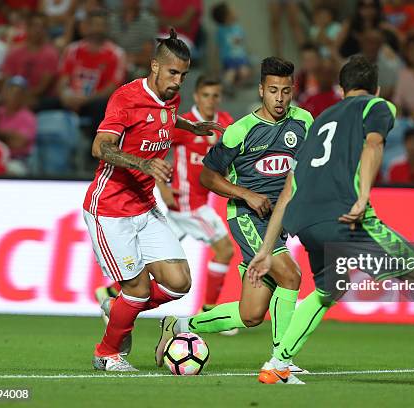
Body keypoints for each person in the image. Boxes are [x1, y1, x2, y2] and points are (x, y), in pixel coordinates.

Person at [245, 55, 414, 386]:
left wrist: (266, 249)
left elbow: (290, 187)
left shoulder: (318, 121)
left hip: (304, 223)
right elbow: (374, 144)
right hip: (343, 216)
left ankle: (278, 364)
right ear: (376, 88)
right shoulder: (375, 106)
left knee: (329, 289)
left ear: (341, 88)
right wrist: (363, 197)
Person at [157, 57, 314, 374]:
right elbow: (208, 177)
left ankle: (180, 322)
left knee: (251, 314)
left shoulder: (305, 122)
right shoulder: (239, 131)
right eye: (273, 91)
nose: (279, 99)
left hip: (279, 222)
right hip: (246, 218)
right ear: (261, 90)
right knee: (291, 275)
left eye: (285, 91)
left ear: (293, 89)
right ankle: (282, 359)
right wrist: (247, 194)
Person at [83, 30, 224, 372]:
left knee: (179, 284)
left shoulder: (170, 98)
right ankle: (107, 353)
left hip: (145, 207)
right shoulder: (125, 98)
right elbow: (100, 147)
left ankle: (117, 310)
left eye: (184, 75)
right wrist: (143, 163)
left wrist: (192, 128)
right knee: (138, 287)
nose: (178, 82)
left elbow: (165, 120)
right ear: (154, 67)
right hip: (111, 208)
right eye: (173, 73)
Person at [156, 75, 235, 320]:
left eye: (215, 96)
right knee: (224, 249)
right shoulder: (186, 123)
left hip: (195, 203)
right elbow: (154, 150)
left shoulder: (224, 122)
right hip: (187, 204)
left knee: (155, 258)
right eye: (205, 95)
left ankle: (111, 292)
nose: (210, 101)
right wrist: (162, 187)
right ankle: (209, 312)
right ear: (196, 96)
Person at [2, 12, 59, 108]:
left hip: (39, 98)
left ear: (46, 31)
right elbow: (6, 80)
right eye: (35, 26)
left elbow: (42, 88)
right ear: (27, 28)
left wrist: (19, 98)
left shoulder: (51, 54)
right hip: (14, 95)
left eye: (42, 27)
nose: (38, 30)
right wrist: (9, 96)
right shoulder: (14, 52)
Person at [211, 2, 251, 90]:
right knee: (231, 72)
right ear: (226, 17)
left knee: (244, 72)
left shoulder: (238, 28)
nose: (234, 13)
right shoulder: (221, 31)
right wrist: (215, 65)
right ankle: (227, 85)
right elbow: (217, 48)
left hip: (241, 57)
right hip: (229, 58)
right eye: (231, 12)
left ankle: (237, 85)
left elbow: (243, 43)